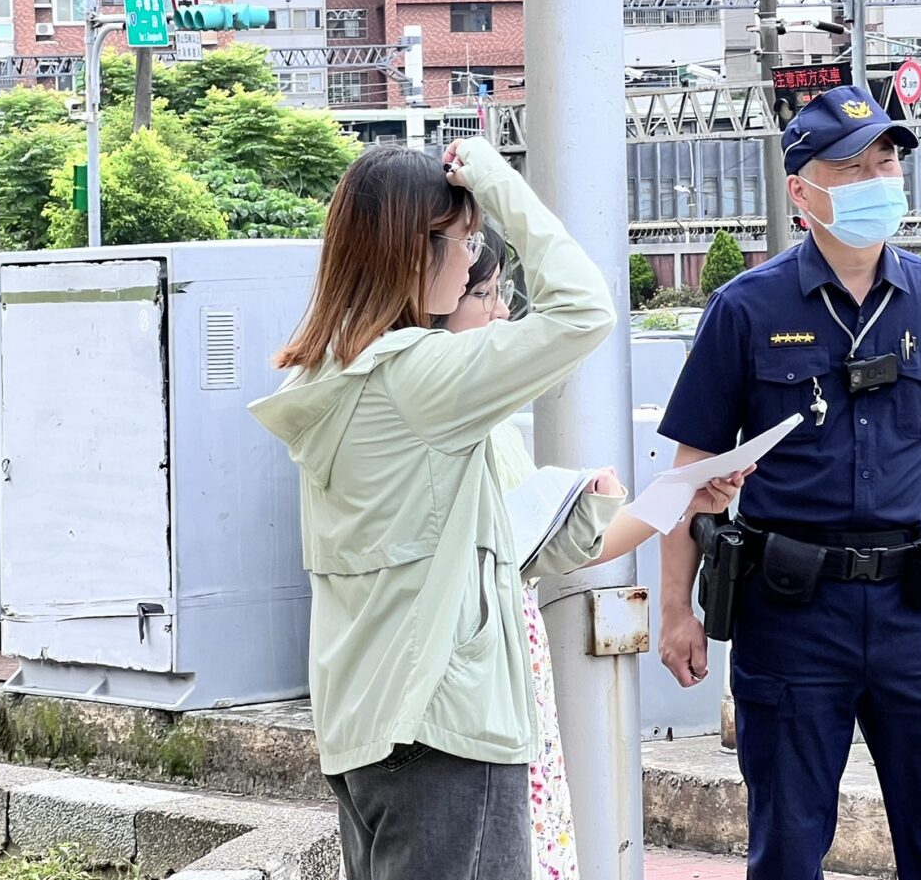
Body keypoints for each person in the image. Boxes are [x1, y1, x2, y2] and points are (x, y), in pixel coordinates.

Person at [252, 137, 736, 880]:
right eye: (466, 239)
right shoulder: (419, 378)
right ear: (419, 251)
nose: (474, 257)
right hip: (443, 726)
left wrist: (665, 500)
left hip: (369, 725)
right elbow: (583, 309)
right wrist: (494, 178)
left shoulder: (338, 377)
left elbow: (505, 540)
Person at [656, 84, 921, 880]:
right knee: (786, 850)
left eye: (887, 160)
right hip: (791, 613)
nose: (880, 178)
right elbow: (691, 473)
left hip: (913, 608)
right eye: (852, 167)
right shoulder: (745, 309)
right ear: (801, 190)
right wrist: (676, 608)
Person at [435, 228, 746, 880]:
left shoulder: (481, 424)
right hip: (467, 692)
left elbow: (561, 545)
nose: (500, 312)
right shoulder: (432, 423)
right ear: (432, 300)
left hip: (504, 680)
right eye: (485, 294)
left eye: (500, 292)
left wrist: (679, 498)